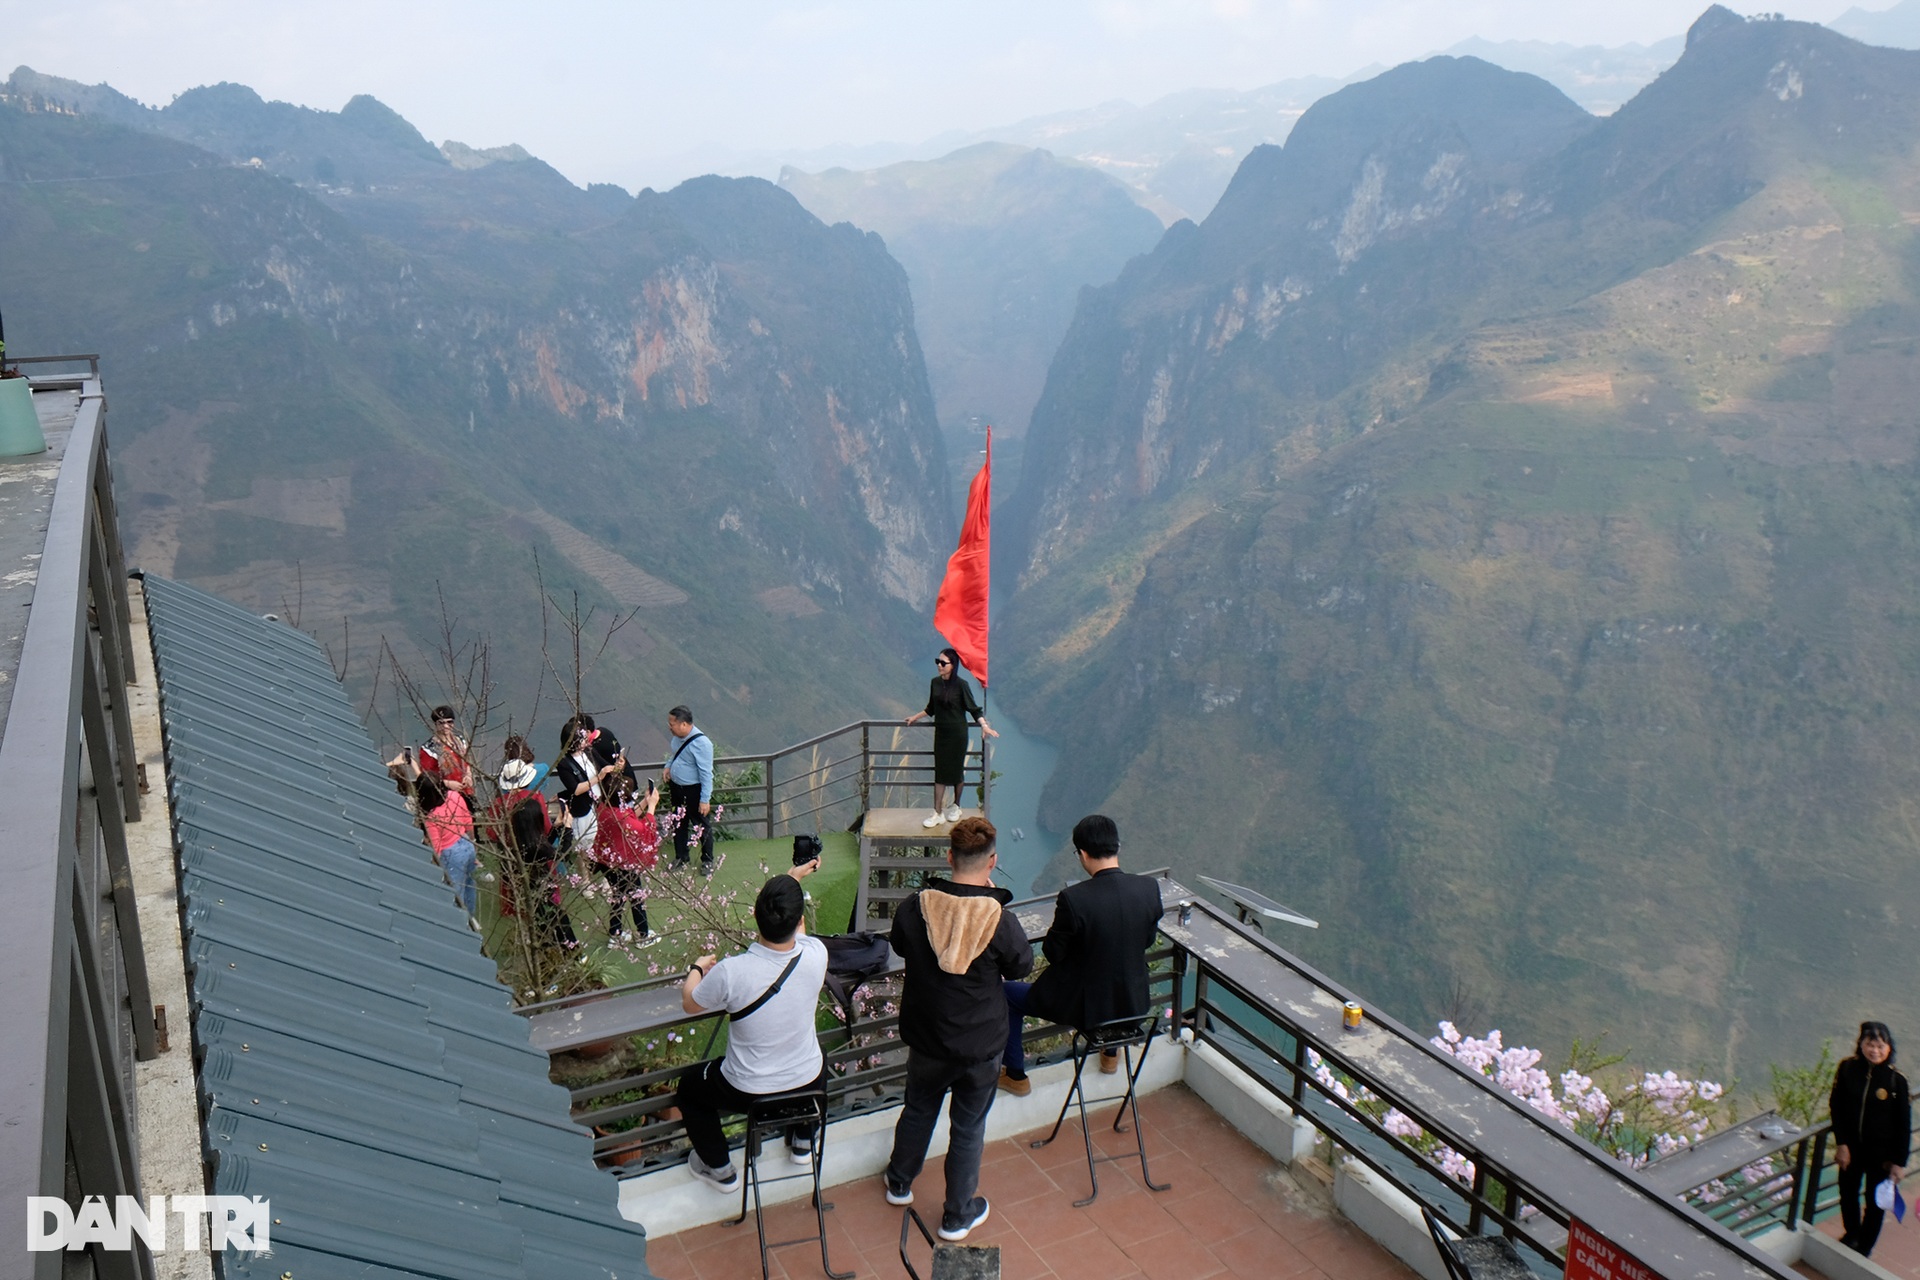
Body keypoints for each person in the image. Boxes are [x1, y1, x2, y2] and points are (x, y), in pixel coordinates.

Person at [884, 816, 1032, 1242]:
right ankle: (956, 1214)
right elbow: (1021, 964)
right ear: (992, 862)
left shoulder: (917, 906)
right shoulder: (996, 917)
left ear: (949, 857)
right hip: (980, 1042)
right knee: (968, 1126)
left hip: (928, 1035)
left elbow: (899, 944)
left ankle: (899, 1182)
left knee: (918, 1107)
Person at [675, 865, 828, 1192]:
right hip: (806, 1084)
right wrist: (794, 880)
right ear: (799, 921)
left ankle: (719, 1169)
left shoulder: (732, 972)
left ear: (755, 916)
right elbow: (795, 937)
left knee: (690, 1087)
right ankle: (803, 1141)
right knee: (819, 1056)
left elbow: (690, 1002)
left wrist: (696, 969)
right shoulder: (817, 954)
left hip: (749, 1093)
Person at [998, 814, 1163, 1096]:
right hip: (1133, 1006)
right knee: (1113, 979)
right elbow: (1145, 941)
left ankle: (1016, 1076)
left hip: (1086, 1009)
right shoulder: (1149, 889)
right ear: (1117, 848)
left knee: (1005, 995)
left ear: (1083, 854)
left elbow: (1053, 952)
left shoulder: (1075, 899)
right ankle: (1110, 1055)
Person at [1830, 1020, 1911, 1257]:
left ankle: (1864, 1248)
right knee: (1847, 1194)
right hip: (1851, 1149)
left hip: (1882, 1156)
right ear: (1861, 1045)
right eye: (1870, 1044)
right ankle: (1851, 1235)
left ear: (1888, 1048)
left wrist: (1899, 1162)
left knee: (1875, 1203)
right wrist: (1842, 1143)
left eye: (1880, 1045)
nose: (1875, 1051)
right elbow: (1836, 1106)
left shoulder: (1896, 1081)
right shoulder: (1847, 1069)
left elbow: (1903, 1125)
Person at [903, 648, 997, 829]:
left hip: (958, 735)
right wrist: (915, 717)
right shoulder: (935, 683)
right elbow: (931, 708)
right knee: (940, 773)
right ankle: (937, 812)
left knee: (955, 772)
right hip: (942, 735)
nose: (939, 665)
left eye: (943, 663)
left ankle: (956, 806)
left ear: (953, 666)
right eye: (937, 661)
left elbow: (974, 709)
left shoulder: (962, 685)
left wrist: (984, 726)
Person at [492, 748, 575, 948]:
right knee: (553, 912)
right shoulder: (533, 799)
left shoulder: (499, 803)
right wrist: (565, 829)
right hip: (539, 871)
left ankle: (529, 935)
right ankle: (568, 946)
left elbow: (493, 833)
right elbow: (549, 837)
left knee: (525, 905)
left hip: (513, 860)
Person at [593, 774, 662, 946]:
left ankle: (615, 934)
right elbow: (644, 828)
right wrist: (652, 806)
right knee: (636, 896)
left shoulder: (603, 807)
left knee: (618, 895)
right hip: (624, 863)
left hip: (606, 860)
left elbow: (629, 816)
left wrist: (645, 802)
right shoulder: (623, 819)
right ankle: (643, 935)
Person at [417, 772, 481, 933]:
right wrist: (473, 843)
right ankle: (471, 918)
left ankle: (457, 926)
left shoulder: (431, 816)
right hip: (465, 842)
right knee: (469, 886)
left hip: (451, 854)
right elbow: (468, 820)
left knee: (455, 892)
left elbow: (436, 846)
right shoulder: (454, 796)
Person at [556, 715, 625, 856]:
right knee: (585, 846)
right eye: (581, 739)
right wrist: (598, 777)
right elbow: (575, 789)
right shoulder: (564, 764)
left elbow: (606, 767)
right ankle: (585, 876)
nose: (585, 741)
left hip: (600, 803)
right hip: (583, 807)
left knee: (605, 839)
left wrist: (618, 767)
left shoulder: (589, 751)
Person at [662, 705, 715, 874]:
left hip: (694, 790)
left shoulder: (702, 744)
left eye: (672, 723)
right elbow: (675, 754)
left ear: (684, 724)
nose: (670, 727)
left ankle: (707, 860)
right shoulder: (677, 738)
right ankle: (681, 856)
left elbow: (706, 773)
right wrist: (668, 766)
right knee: (678, 822)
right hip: (677, 788)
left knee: (701, 825)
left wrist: (705, 799)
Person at [417, 705, 475, 803]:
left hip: (466, 792)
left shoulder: (460, 741)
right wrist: (447, 783)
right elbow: (426, 777)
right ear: (435, 724)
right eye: (441, 723)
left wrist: (468, 775)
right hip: (443, 796)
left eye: (449, 722)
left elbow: (467, 762)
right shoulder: (429, 749)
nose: (446, 726)